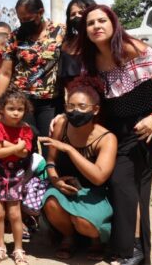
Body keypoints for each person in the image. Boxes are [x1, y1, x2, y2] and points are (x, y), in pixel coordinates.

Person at [75, 4, 152, 265]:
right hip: (117, 126)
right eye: (90, 23)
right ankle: (131, 250)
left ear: (113, 23)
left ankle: (131, 250)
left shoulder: (131, 48)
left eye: (102, 20)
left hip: (146, 124)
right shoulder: (91, 59)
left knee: (126, 181)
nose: (96, 26)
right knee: (125, 183)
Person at [39, 77, 116, 261]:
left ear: (95, 109)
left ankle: (96, 241)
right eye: (70, 106)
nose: (75, 111)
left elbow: (99, 177)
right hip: (64, 188)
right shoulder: (61, 124)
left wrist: (70, 149)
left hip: (94, 192)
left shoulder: (106, 138)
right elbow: (50, 161)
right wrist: (56, 181)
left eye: (82, 107)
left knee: (83, 222)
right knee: (50, 201)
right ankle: (68, 237)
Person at [0, 0, 65, 141]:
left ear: (40, 12)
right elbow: (4, 74)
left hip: (49, 102)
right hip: (21, 102)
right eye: (20, 19)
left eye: (27, 19)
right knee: (24, 146)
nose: (23, 22)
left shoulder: (59, 32)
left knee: (49, 144)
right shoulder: (14, 37)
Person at [0, 90, 35, 265]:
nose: (16, 112)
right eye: (11, 108)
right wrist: (17, 146)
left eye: (20, 109)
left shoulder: (26, 128)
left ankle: (18, 248)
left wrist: (8, 145)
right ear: (2, 109)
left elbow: (25, 154)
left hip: (16, 174)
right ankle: (1, 247)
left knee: (15, 214)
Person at [59, 0, 96, 88]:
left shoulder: (99, 42)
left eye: (81, 12)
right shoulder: (66, 43)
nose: (77, 16)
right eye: (73, 14)